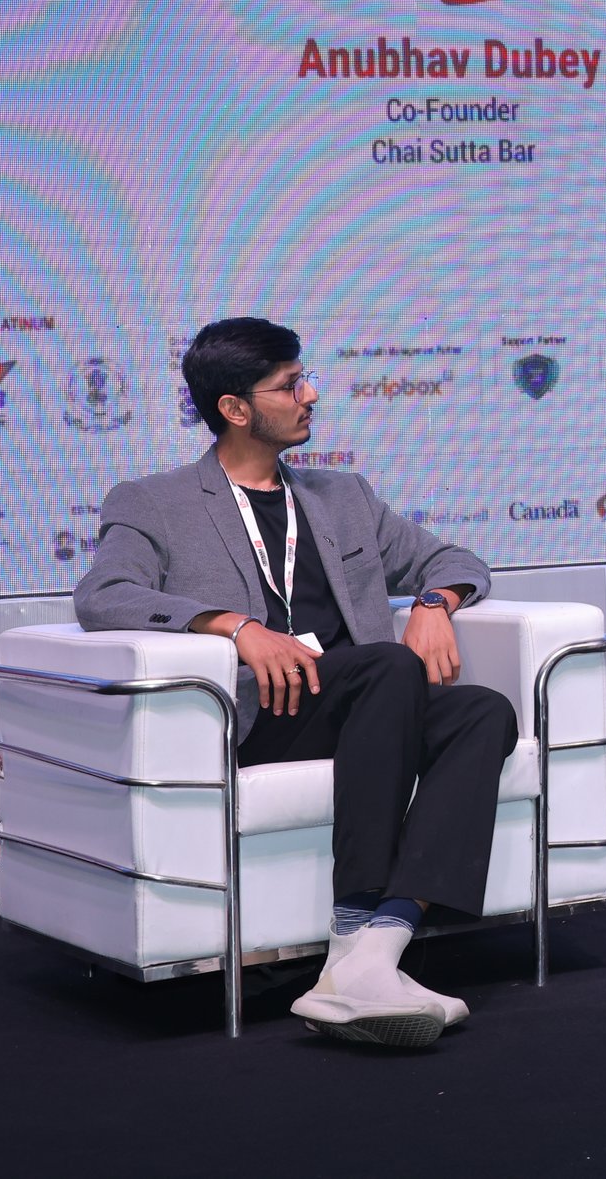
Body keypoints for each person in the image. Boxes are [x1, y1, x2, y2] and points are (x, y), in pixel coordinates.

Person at [74, 317, 511, 1048]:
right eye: (288, 385)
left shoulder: (344, 496)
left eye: (305, 378)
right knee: (390, 665)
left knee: (482, 711)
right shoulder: (155, 501)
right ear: (235, 408)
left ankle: (373, 948)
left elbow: (455, 557)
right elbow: (103, 595)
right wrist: (233, 626)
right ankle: (353, 923)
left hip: (374, 699)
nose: (310, 395)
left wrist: (437, 603)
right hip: (266, 714)